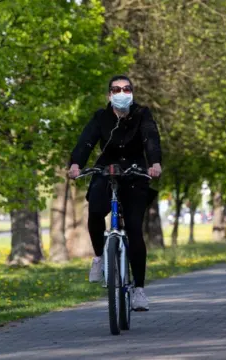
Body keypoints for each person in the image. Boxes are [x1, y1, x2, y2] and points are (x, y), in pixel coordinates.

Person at [68, 75, 162, 311]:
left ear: (132, 92)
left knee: (133, 227)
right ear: (109, 95)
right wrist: (76, 163)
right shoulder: (101, 117)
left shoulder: (142, 114)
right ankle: (99, 257)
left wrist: (155, 163)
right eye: (116, 89)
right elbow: (86, 141)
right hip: (105, 170)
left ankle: (139, 290)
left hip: (135, 171)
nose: (122, 92)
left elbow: (151, 138)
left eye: (126, 88)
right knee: (96, 210)